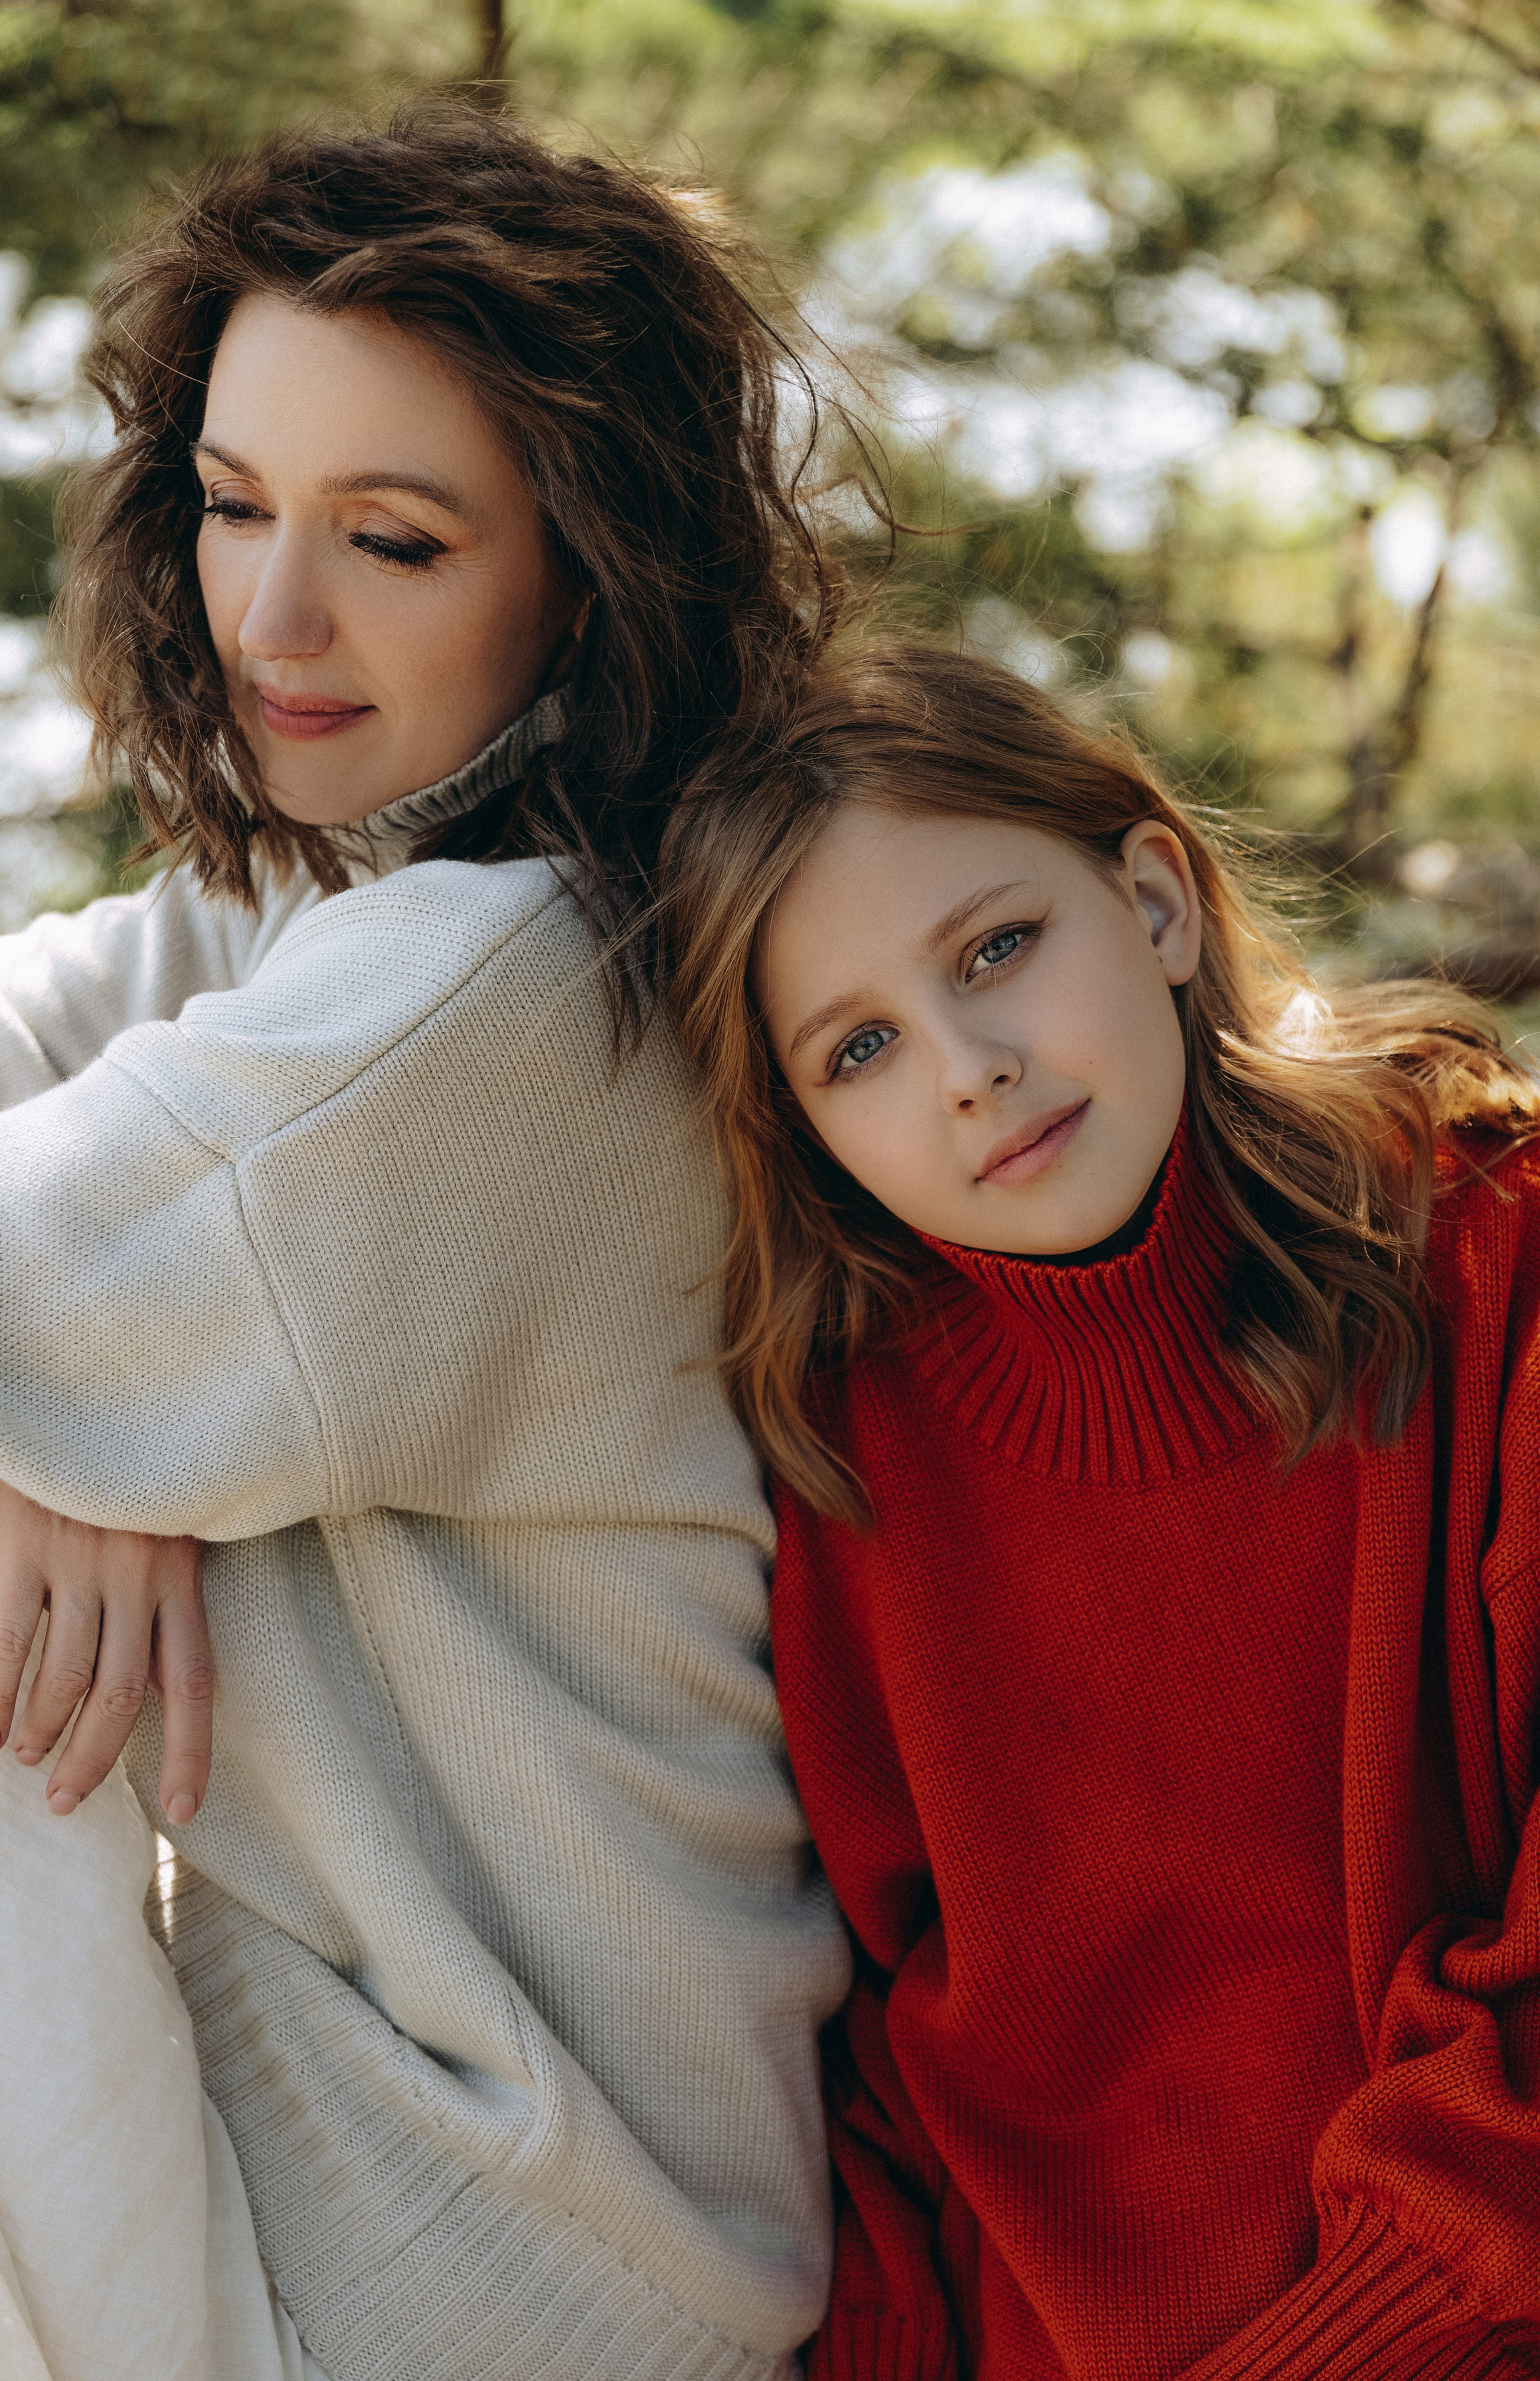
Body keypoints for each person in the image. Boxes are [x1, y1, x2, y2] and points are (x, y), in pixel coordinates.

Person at [0, 104, 853, 2381]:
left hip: (469, 2275)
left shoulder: (504, 996)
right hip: (429, 2209)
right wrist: (44, 1414)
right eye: (228, 504)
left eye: (391, 541)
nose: (273, 617)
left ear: (589, 569)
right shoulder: (331, 907)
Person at [662, 637, 1540, 2380]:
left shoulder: (1493, 1255)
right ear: (807, 1134)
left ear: (1150, 898)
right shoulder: (849, 1469)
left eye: (996, 947)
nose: (968, 1064)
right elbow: (899, 2105)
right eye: (859, 1050)